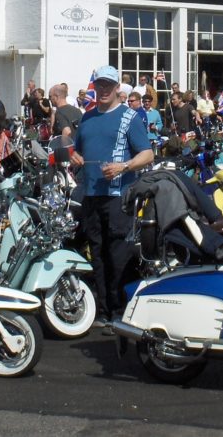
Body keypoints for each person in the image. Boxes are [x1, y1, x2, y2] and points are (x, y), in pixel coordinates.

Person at [71, 65, 153, 326]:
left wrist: (124, 166)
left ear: (118, 88)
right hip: (92, 194)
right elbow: (79, 151)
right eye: (100, 85)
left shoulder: (130, 117)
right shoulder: (87, 117)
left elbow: (148, 154)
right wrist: (75, 157)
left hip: (119, 196)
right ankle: (103, 311)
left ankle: (120, 312)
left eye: (109, 85)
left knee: (118, 255)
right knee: (97, 254)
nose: (104, 89)